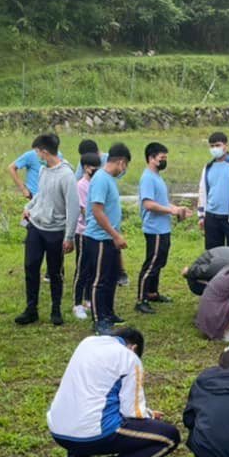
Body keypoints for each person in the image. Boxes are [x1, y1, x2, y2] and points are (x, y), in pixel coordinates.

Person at [46, 327, 181, 457]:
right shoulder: (129, 358)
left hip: (58, 431)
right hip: (94, 434)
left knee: (85, 405)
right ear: (134, 348)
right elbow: (132, 411)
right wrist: (150, 417)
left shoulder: (86, 343)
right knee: (169, 436)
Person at [16, 133, 79, 327]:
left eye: (37, 152)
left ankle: (56, 309)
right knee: (31, 266)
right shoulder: (43, 171)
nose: (36, 155)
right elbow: (41, 196)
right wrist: (29, 207)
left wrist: (69, 236)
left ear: (44, 151)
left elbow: (73, 208)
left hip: (56, 230)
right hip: (36, 226)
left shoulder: (67, 175)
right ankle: (31, 309)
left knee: (54, 271)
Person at [82, 143, 131, 334]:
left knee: (111, 278)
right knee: (99, 279)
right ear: (121, 162)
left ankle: (108, 313)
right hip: (99, 238)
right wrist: (115, 235)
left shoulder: (110, 179)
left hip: (109, 237)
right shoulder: (101, 179)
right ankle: (98, 319)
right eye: (125, 165)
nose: (124, 170)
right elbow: (97, 210)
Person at [136, 142, 188, 314]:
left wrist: (177, 209)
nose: (164, 161)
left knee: (159, 263)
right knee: (151, 264)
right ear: (151, 158)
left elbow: (162, 202)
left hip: (163, 228)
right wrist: (171, 210)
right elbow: (149, 204)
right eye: (162, 158)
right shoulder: (147, 178)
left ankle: (152, 293)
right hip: (154, 228)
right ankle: (140, 299)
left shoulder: (157, 177)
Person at [72, 152, 102, 321]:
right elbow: (84, 209)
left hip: (95, 232)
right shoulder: (81, 185)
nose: (95, 170)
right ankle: (77, 304)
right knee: (82, 268)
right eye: (93, 167)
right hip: (83, 231)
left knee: (92, 268)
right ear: (85, 168)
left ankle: (88, 299)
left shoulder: (96, 183)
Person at [9, 133, 66, 200]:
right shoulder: (30, 155)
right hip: (34, 196)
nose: (38, 154)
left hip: (51, 197)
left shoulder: (58, 155)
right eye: (36, 151)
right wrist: (23, 189)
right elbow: (11, 168)